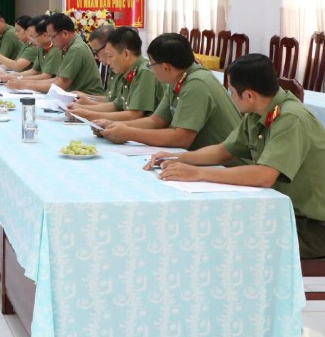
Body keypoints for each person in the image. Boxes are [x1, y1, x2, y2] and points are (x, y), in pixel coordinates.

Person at [147, 54, 325, 258]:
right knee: (215, 225)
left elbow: (264, 176)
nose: (230, 97)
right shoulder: (258, 112)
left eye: (231, 91)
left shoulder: (290, 118)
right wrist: (178, 158)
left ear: (248, 95)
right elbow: (223, 151)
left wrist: (198, 173)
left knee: (232, 244)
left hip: (314, 226)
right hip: (285, 210)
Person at [97, 33, 240, 149]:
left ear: (165, 67)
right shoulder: (178, 78)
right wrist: (112, 126)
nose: (150, 68)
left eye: (151, 64)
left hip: (229, 167)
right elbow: (156, 121)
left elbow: (182, 138)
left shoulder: (196, 84)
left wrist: (129, 133)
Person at [68, 26, 162, 122]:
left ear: (126, 54)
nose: (108, 62)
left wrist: (88, 114)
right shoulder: (127, 70)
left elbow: (134, 115)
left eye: (110, 56)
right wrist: (81, 109)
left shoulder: (145, 71)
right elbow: (115, 105)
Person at [8, 13, 103, 95]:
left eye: (52, 37)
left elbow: (61, 85)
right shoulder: (67, 46)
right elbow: (57, 80)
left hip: (88, 98)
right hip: (73, 96)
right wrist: (21, 82)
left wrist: (24, 84)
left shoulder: (76, 49)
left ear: (65, 34)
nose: (51, 41)